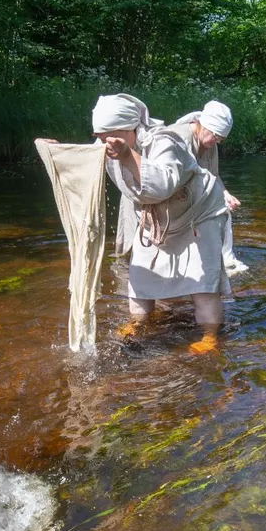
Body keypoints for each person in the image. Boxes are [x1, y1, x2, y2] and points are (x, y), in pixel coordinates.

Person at [92, 93, 232, 353]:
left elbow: (161, 185)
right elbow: (87, 162)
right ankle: (136, 324)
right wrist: (58, 152)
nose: (106, 143)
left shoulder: (165, 141)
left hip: (199, 214)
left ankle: (210, 336)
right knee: (140, 277)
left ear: (130, 128)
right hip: (156, 220)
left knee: (202, 284)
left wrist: (126, 156)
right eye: (100, 137)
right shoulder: (112, 145)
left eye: (110, 136)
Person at [169, 100, 248, 274]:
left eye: (221, 139)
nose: (217, 142)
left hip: (188, 197)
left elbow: (214, 175)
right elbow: (169, 183)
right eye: (216, 136)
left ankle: (226, 261)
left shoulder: (209, 142)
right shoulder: (179, 139)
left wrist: (225, 194)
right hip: (165, 202)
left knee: (223, 209)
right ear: (203, 126)